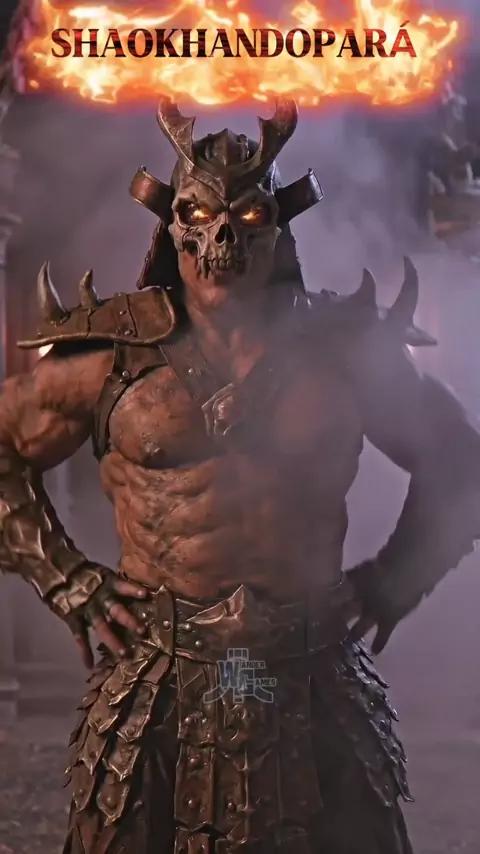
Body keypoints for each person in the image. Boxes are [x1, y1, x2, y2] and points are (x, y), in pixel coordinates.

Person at [2, 97, 480, 854]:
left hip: (315, 672)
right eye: (198, 215)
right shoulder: (112, 359)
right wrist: (69, 580)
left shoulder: (345, 353)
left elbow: (459, 460)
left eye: (249, 217)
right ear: (172, 226)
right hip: (154, 688)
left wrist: (395, 580)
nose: (221, 237)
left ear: (280, 225)